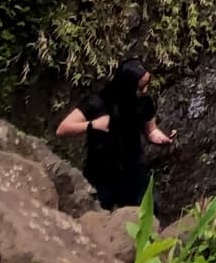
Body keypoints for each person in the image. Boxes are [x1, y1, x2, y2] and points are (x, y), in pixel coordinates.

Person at [56, 58, 175, 210]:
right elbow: (63, 128)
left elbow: (151, 130)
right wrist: (93, 125)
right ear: (126, 86)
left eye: (146, 86)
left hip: (132, 170)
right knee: (98, 214)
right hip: (101, 174)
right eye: (140, 88)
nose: (145, 91)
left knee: (148, 214)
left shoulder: (143, 102)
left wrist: (162, 138)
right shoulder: (99, 102)